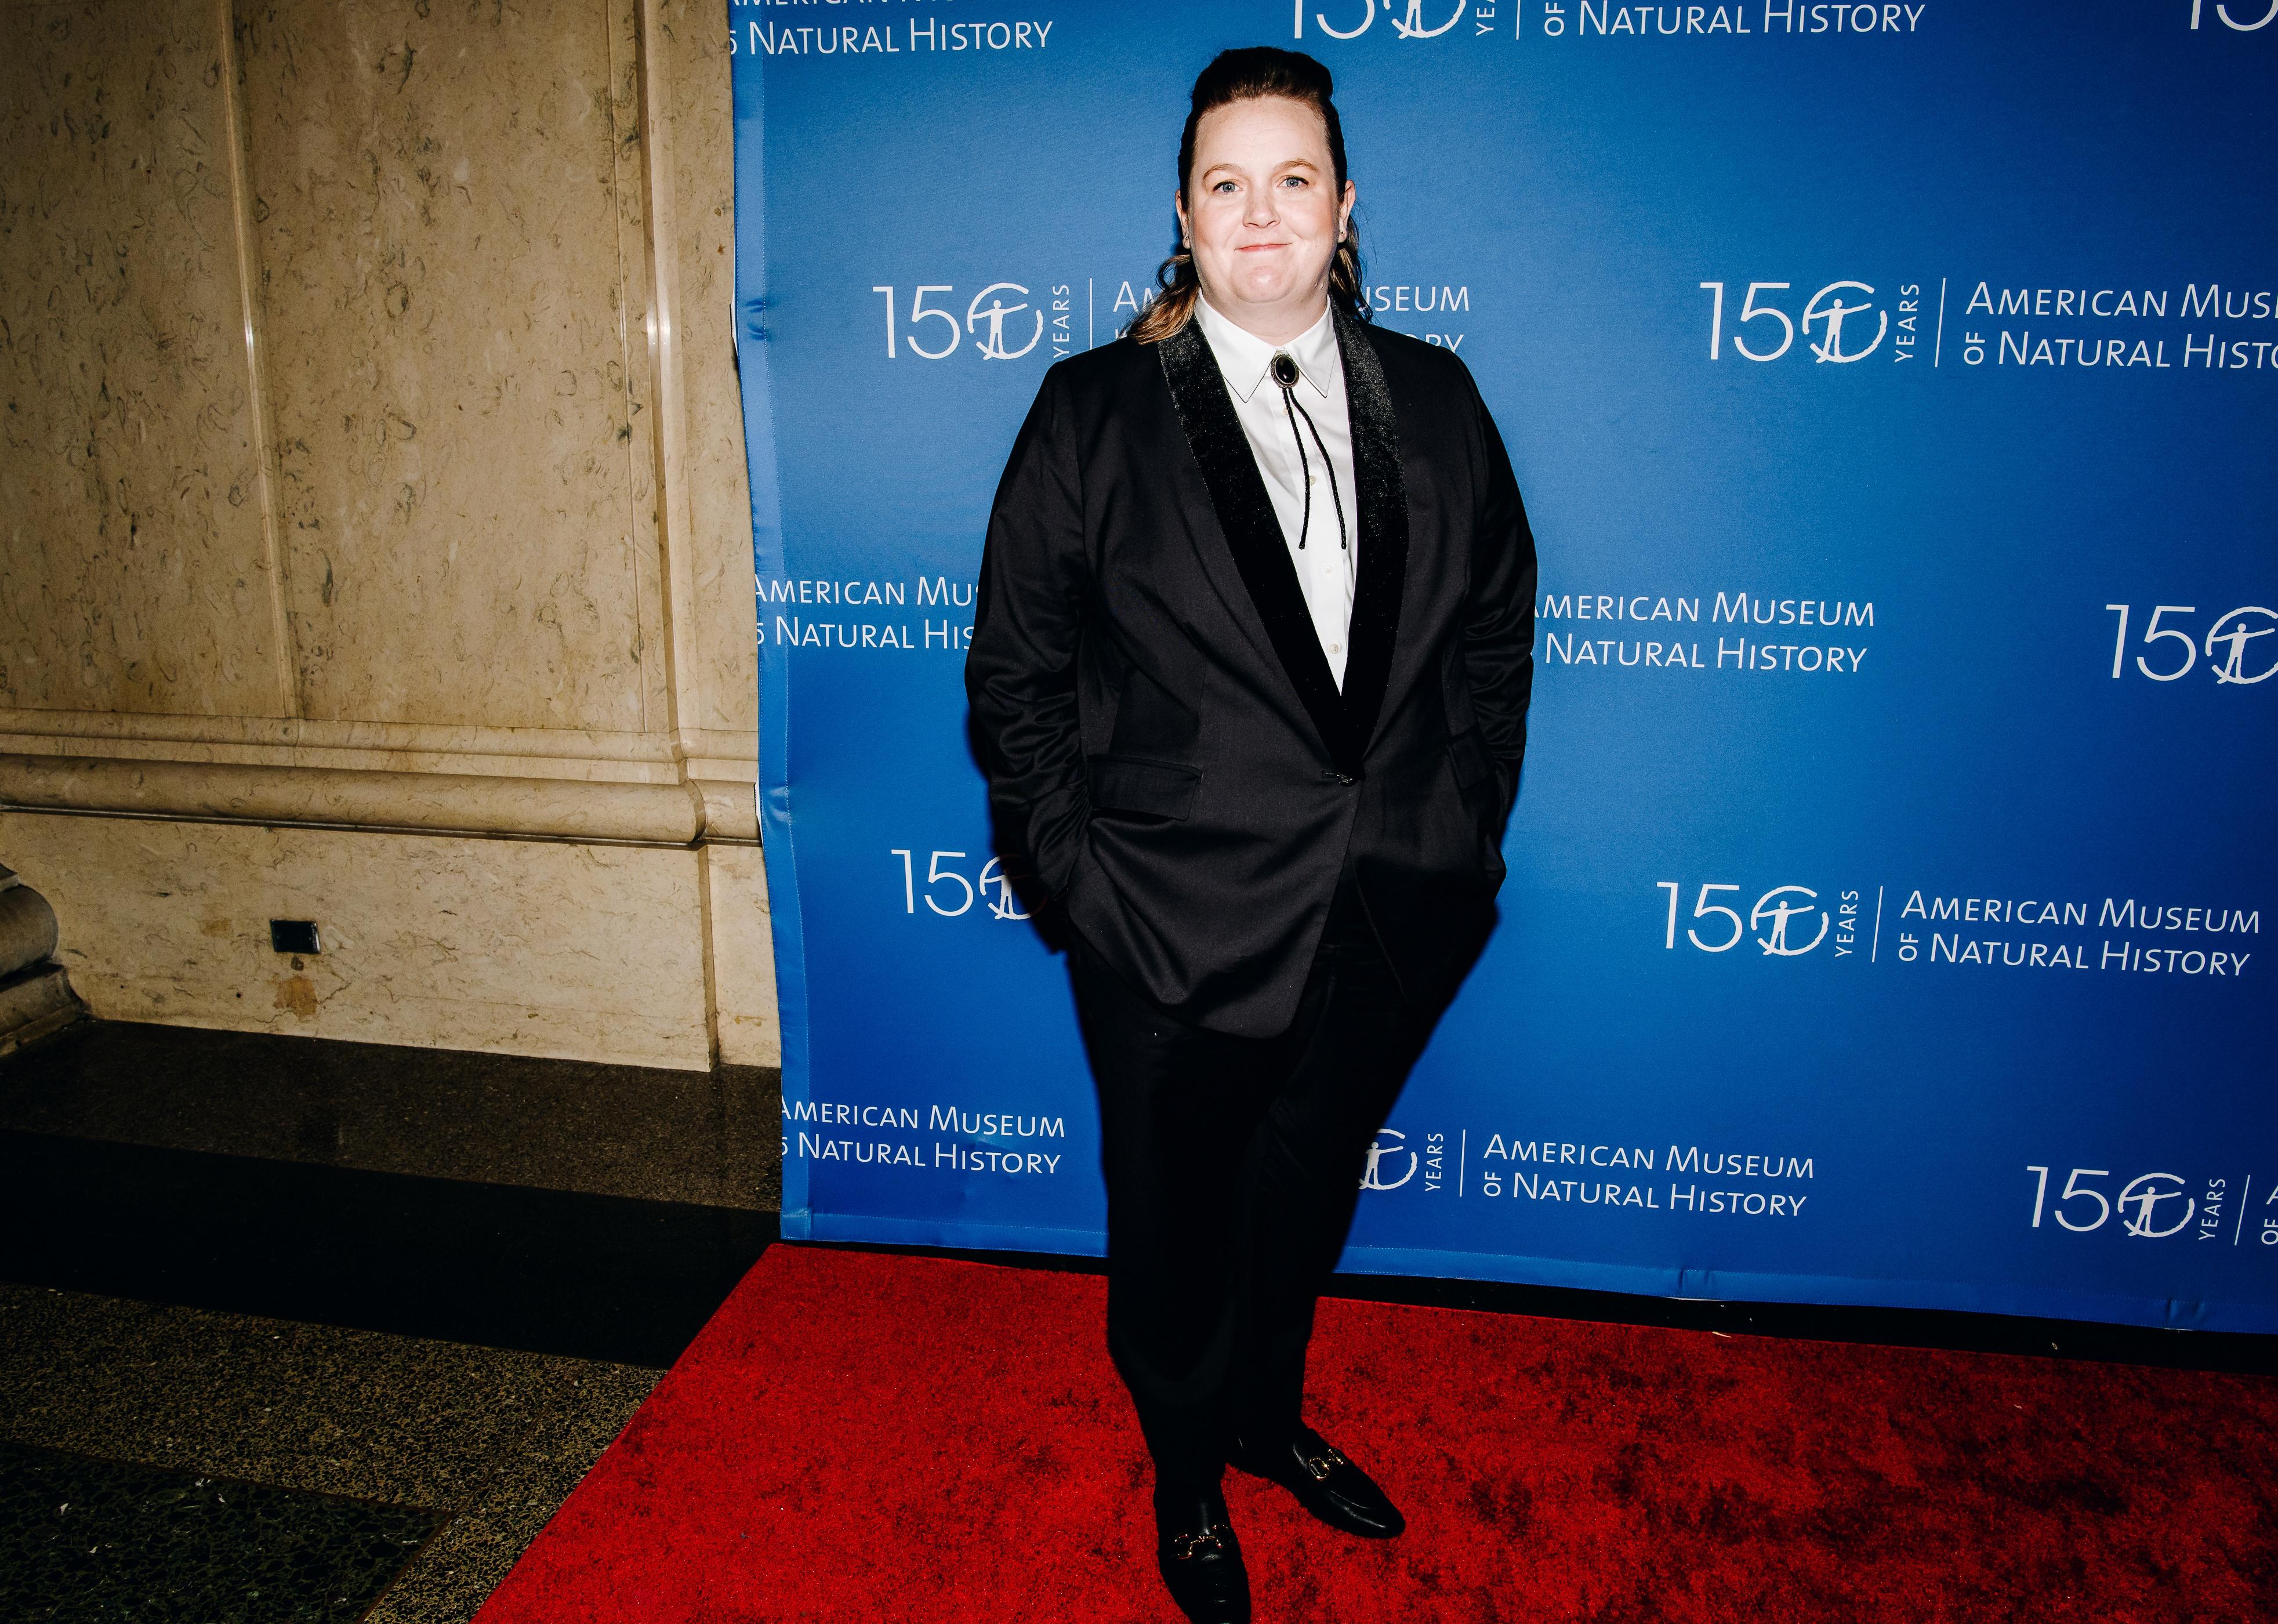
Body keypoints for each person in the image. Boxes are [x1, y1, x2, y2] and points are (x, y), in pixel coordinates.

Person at [964, 46, 1536, 1624]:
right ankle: (1189, 1470)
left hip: (1394, 904)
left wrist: (1465, 828)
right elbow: (1015, 674)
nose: (1262, 213)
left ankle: (1272, 1420)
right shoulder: (1093, 413)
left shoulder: (1436, 393)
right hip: (1167, 921)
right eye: (1229, 184)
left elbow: (1498, 634)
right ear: (1186, 215)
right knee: (1173, 1223)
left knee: (1307, 1194)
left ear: (1344, 210)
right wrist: (1078, 883)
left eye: (1294, 180)